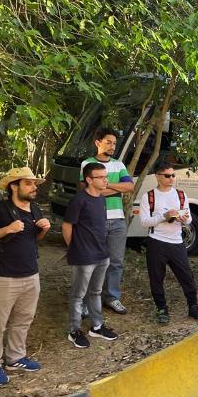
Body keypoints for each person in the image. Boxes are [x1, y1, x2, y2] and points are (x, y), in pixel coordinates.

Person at [0, 167, 50, 386]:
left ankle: (15, 358)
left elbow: (33, 240)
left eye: (35, 184)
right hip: (3, 278)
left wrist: (43, 229)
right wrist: (6, 229)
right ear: (14, 186)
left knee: (23, 320)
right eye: (29, 183)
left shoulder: (35, 209)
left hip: (31, 275)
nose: (34, 188)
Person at [139, 161, 198, 324]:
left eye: (173, 175)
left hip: (177, 242)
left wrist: (185, 219)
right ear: (157, 176)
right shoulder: (148, 197)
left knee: (187, 277)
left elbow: (189, 218)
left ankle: (193, 306)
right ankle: (161, 309)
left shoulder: (180, 194)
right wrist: (164, 216)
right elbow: (144, 222)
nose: (171, 178)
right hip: (156, 242)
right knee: (156, 278)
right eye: (167, 175)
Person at [63, 162, 119, 348]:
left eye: (106, 176)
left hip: (102, 254)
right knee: (78, 295)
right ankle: (74, 330)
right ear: (89, 180)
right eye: (101, 177)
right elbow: (67, 225)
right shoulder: (79, 200)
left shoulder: (101, 199)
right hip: (84, 256)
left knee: (95, 292)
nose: (106, 180)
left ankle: (97, 326)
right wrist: (74, 247)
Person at [81, 127, 134, 315]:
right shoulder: (87, 163)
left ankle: (112, 297)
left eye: (114, 143)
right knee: (93, 261)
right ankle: (87, 301)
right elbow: (91, 191)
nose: (112, 146)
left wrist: (106, 184)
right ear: (98, 142)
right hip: (96, 219)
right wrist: (116, 188)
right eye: (109, 142)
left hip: (118, 219)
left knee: (116, 262)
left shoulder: (119, 165)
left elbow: (129, 186)